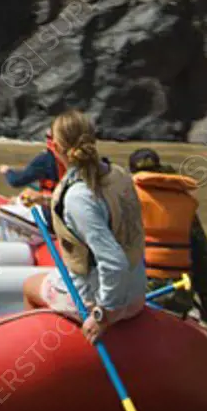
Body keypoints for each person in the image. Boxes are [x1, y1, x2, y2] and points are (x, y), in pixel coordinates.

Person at [23, 110, 146, 344]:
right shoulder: (118, 174)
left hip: (100, 302)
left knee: (30, 287)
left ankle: (41, 350)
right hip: (137, 294)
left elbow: (114, 263)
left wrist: (103, 316)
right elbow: (99, 209)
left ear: (56, 147)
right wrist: (45, 201)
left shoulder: (78, 196)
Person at [128, 148, 207, 322]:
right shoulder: (183, 202)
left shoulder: (127, 198)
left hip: (139, 292)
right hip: (178, 294)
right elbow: (204, 259)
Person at [0, 130, 67, 239]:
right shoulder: (79, 163)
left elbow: (16, 181)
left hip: (49, 220)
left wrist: (7, 171)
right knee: (14, 199)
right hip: (57, 214)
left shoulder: (45, 159)